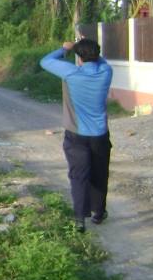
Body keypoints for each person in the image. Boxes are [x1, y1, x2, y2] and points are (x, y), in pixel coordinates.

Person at [40, 38, 113, 231]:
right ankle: (98, 213)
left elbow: (45, 61)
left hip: (76, 135)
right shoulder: (106, 72)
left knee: (78, 176)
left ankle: (80, 219)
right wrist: (86, 50)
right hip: (100, 134)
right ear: (96, 55)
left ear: (79, 58)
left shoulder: (71, 73)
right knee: (99, 173)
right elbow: (102, 61)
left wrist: (65, 49)